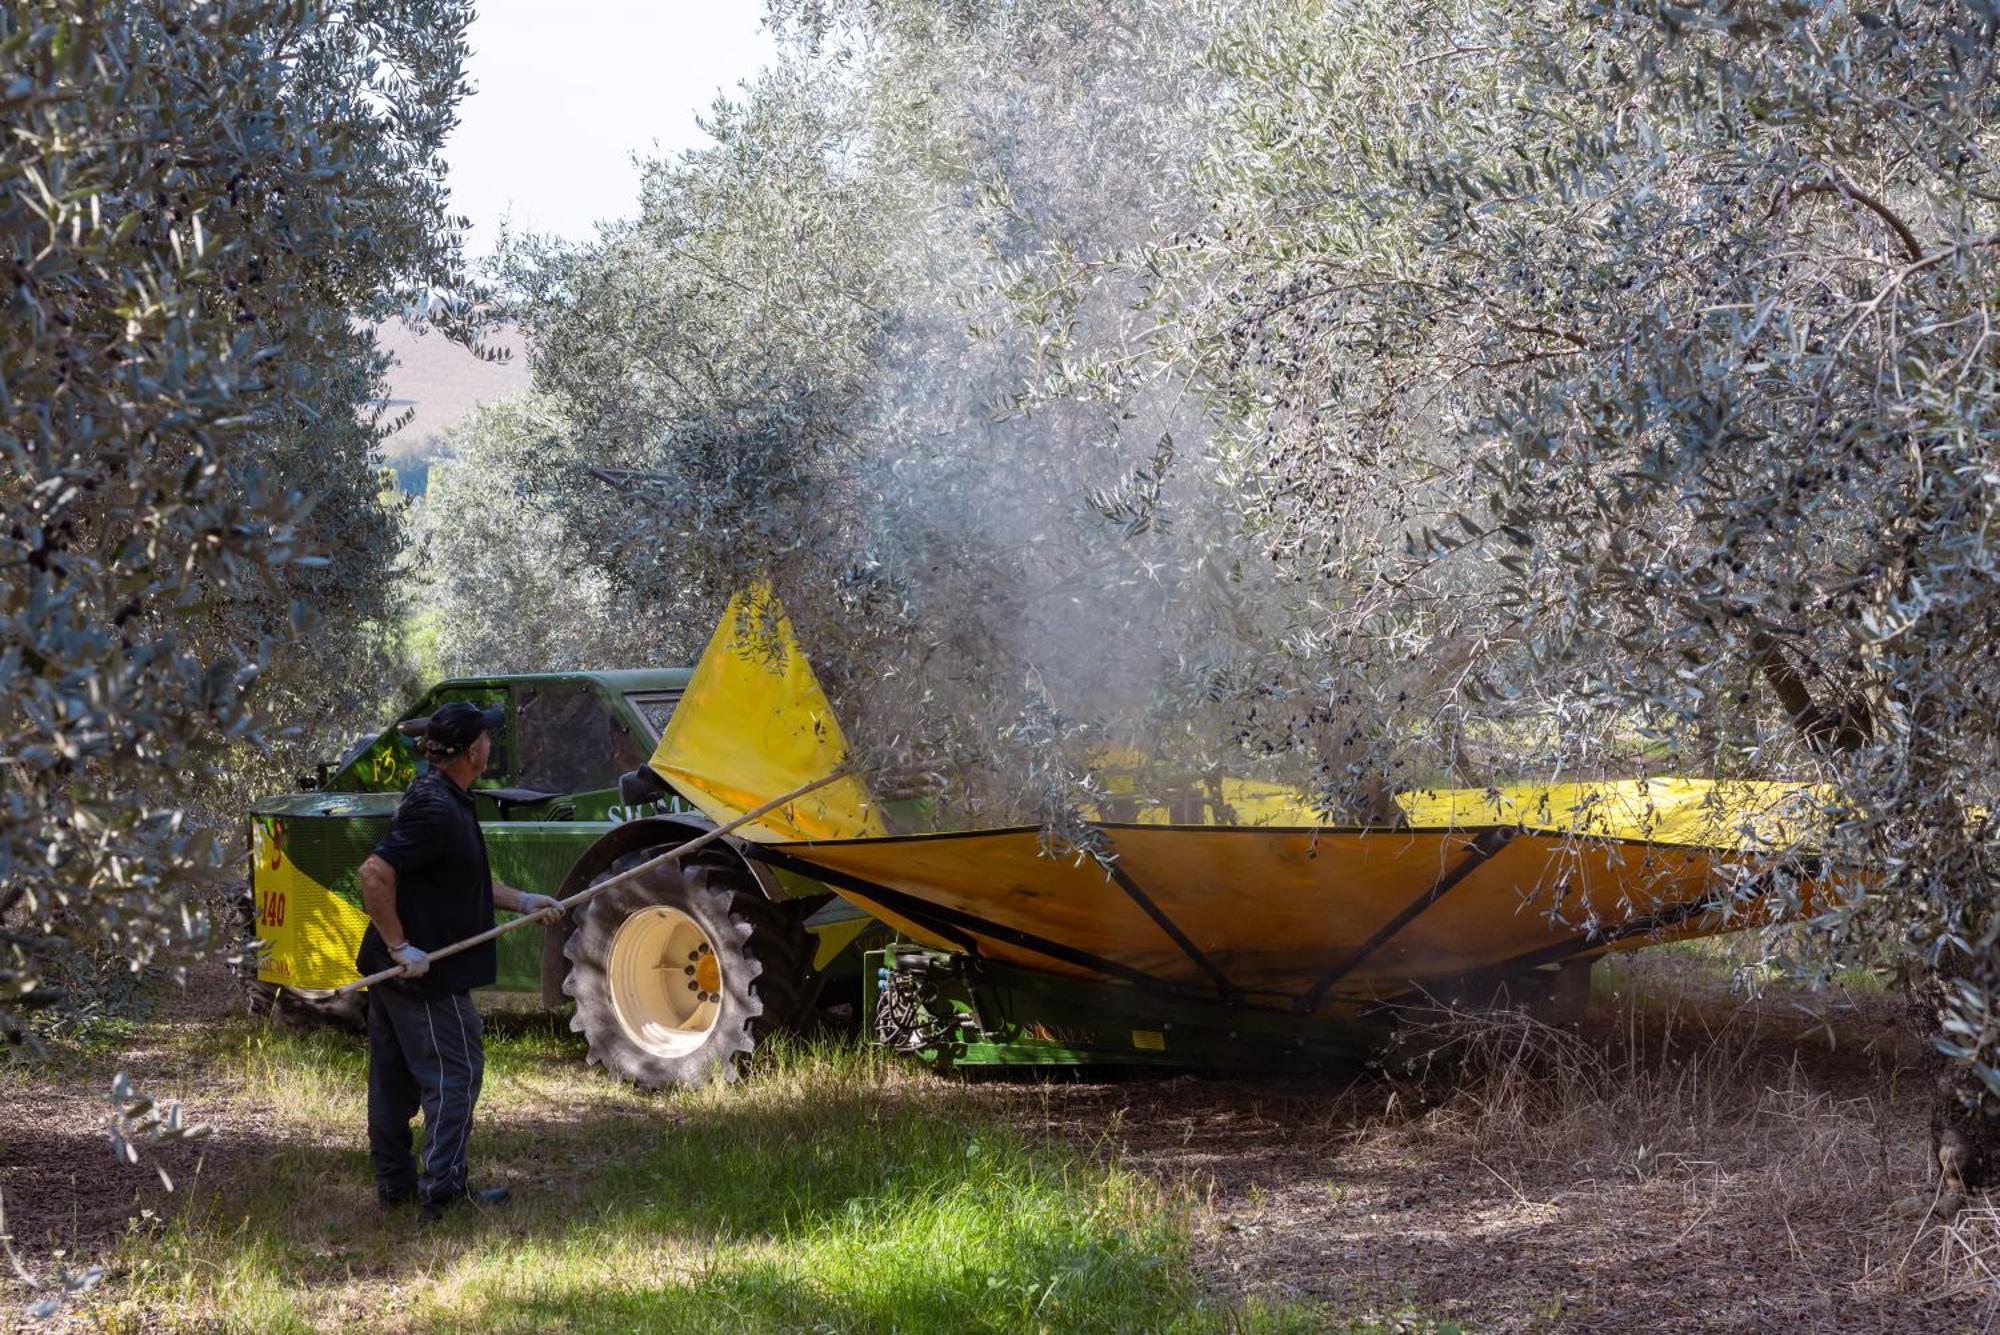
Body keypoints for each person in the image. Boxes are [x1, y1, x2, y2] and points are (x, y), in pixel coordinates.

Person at [355, 700, 561, 1222]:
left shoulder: (442, 796)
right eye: (487, 738)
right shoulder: (436, 807)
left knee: (394, 1078)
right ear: (473, 751)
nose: (492, 744)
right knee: (457, 1072)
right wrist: (401, 946)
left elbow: (458, 878)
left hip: (403, 966)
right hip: (420, 974)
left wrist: (524, 900)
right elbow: (374, 873)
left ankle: (396, 1188)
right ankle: (442, 1191)